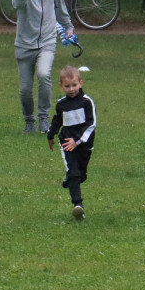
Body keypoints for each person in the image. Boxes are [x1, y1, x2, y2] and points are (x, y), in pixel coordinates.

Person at [13, 0, 75, 134]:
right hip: (24, 43)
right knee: (25, 90)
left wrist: (69, 28)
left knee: (43, 74)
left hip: (47, 41)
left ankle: (43, 119)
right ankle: (29, 120)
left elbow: (60, 7)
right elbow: (16, 3)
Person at [46, 66, 97, 221]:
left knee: (80, 175)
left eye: (74, 85)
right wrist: (51, 135)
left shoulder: (87, 102)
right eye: (67, 86)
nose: (71, 89)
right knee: (74, 172)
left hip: (84, 144)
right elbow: (57, 120)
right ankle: (78, 205)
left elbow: (91, 123)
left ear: (80, 83)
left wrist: (78, 141)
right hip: (67, 143)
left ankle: (71, 179)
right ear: (61, 86)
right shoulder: (62, 104)